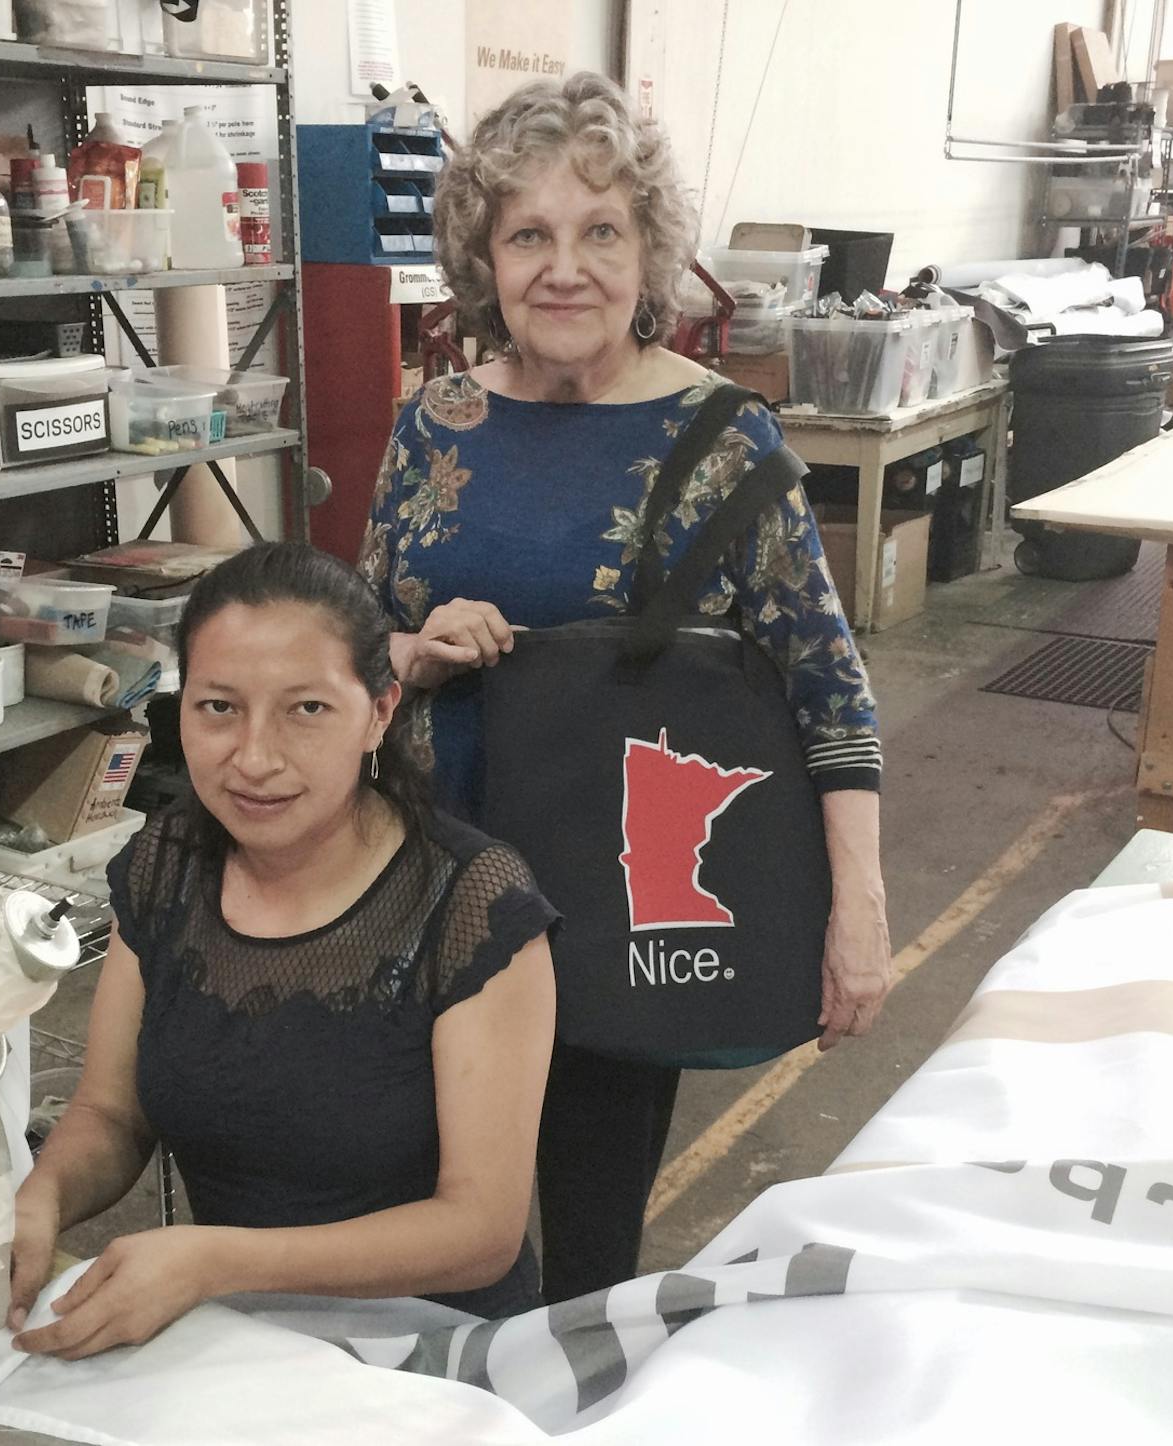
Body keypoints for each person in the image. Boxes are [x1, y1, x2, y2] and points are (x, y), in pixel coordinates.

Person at [356, 72, 890, 1305]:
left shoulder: (724, 442)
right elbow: (351, 645)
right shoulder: (434, 422)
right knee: (433, 1231)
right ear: (482, 258)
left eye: (600, 232)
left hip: (613, 908)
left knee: (589, 1243)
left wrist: (853, 907)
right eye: (527, 234)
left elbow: (830, 691)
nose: (565, 268)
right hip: (429, 895)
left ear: (648, 252)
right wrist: (411, 653)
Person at [9, 543, 558, 1357]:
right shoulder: (169, 866)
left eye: (306, 710)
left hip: (435, 1352)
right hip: (238, 1344)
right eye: (218, 708)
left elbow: (481, 1230)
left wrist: (216, 1262)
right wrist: (40, 1197)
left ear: (379, 711)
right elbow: (111, 1112)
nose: (254, 759)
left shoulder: (471, 903)